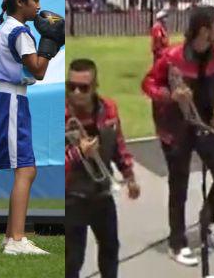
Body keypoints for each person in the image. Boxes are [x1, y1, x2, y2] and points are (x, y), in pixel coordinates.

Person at [141, 6, 214, 268]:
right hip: (176, 127)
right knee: (178, 187)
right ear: (204, 30)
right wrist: (171, 96)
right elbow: (148, 84)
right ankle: (177, 242)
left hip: (206, 123)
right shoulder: (172, 56)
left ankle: (208, 221)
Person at [0, 0, 64, 255]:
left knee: (24, 167)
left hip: (8, 97)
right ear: (21, 2)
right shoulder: (19, 31)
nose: (39, 7)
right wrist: (51, 42)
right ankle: (17, 239)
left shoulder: (9, 27)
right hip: (11, 100)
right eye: (35, 1)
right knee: (26, 169)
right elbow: (38, 71)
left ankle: (12, 237)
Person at [66, 58, 139, 278]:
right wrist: (79, 153)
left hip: (102, 194)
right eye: (72, 86)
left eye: (84, 87)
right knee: (72, 259)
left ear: (95, 87)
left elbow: (118, 146)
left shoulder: (108, 109)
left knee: (110, 251)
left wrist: (129, 175)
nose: (77, 92)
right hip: (71, 198)